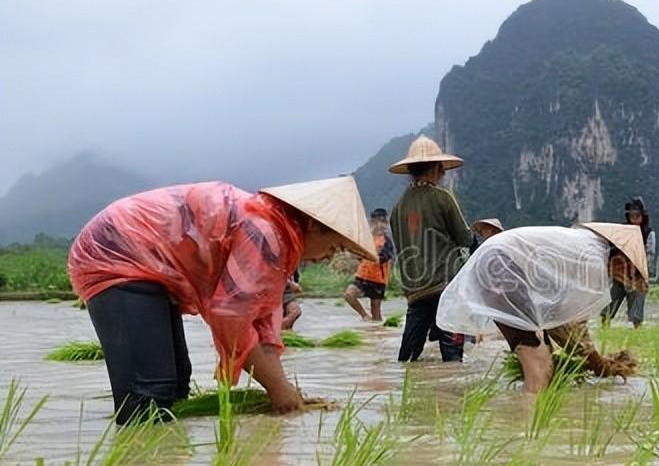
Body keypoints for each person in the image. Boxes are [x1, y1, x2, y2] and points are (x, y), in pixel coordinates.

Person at [67, 177, 376, 425]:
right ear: (311, 225)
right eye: (333, 247)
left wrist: (284, 389)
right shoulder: (265, 231)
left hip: (149, 268)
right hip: (115, 253)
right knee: (149, 395)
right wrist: (278, 390)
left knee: (175, 386)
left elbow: (263, 328)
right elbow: (231, 316)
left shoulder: (279, 238)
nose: (326, 258)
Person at [436, 223, 648, 394]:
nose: (622, 278)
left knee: (540, 354)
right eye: (628, 274)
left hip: (495, 263)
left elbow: (551, 318)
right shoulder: (594, 261)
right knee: (540, 361)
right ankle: (530, 430)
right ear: (622, 261)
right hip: (502, 266)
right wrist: (597, 363)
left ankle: (530, 414)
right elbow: (570, 324)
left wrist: (586, 359)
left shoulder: (586, 246)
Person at [388, 136, 472, 362]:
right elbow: (464, 237)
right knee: (452, 356)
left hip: (415, 289)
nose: (443, 173)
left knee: (408, 357)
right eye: (442, 168)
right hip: (445, 285)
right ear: (435, 169)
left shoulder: (397, 208)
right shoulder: (442, 198)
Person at [602, 198, 656, 328]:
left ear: (643, 216)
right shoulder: (622, 231)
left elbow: (649, 254)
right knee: (611, 301)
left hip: (638, 275)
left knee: (637, 305)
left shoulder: (648, 233)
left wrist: (644, 271)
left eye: (637, 215)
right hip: (621, 273)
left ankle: (637, 331)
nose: (634, 219)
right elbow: (613, 248)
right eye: (632, 216)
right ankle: (605, 328)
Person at [343, 208, 396, 322]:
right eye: (377, 221)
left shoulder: (386, 241)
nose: (380, 225)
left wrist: (373, 256)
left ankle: (377, 332)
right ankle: (364, 316)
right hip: (362, 276)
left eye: (383, 222)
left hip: (378, 280)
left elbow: (386, 257)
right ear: (372, 222)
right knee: (349, 295)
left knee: (375, 310)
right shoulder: (366, 238)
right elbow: (358, 255)